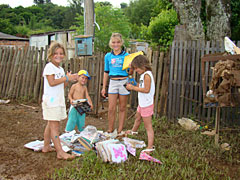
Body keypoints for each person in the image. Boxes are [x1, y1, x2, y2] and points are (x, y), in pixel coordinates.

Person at [41, 41, 78, 160]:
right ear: (51, 55)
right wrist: (66, 78)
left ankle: (46, 146)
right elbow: (52, 83)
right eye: (56, 53)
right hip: (51, 101)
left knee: (50, 124)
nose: (59, 55)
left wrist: (68, 79)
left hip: (57, 100)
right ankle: (60, 152)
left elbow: (61, 86)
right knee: (55, 127)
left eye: (61, 53)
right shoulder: (49, 67)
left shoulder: (60, 69)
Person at [101, 33, 130, 134]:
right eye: (113, 42)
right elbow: (106, 71)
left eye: (118, 42)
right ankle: (110, 129)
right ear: (110, 43)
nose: (116, 44)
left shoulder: (126, 56)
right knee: (111, 108)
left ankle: (120, 129)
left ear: (121, 43)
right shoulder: (108, 56)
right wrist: (104, 87)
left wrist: (131, 68)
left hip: (124, 82)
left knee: (122, 107)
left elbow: (130, 72)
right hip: (112, 82)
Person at [125, 55, 155, 153]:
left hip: (146, 104)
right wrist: (135, 84)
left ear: (143, 65)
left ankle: (150, 147)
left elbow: (146, 90)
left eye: (136, 68)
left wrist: (133, 88)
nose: (136, 70)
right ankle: (133, 132)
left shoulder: (147, 75)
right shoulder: (143, 75)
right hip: (142, 103)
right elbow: (142, 86)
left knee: (148, 127)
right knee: (137, 118)